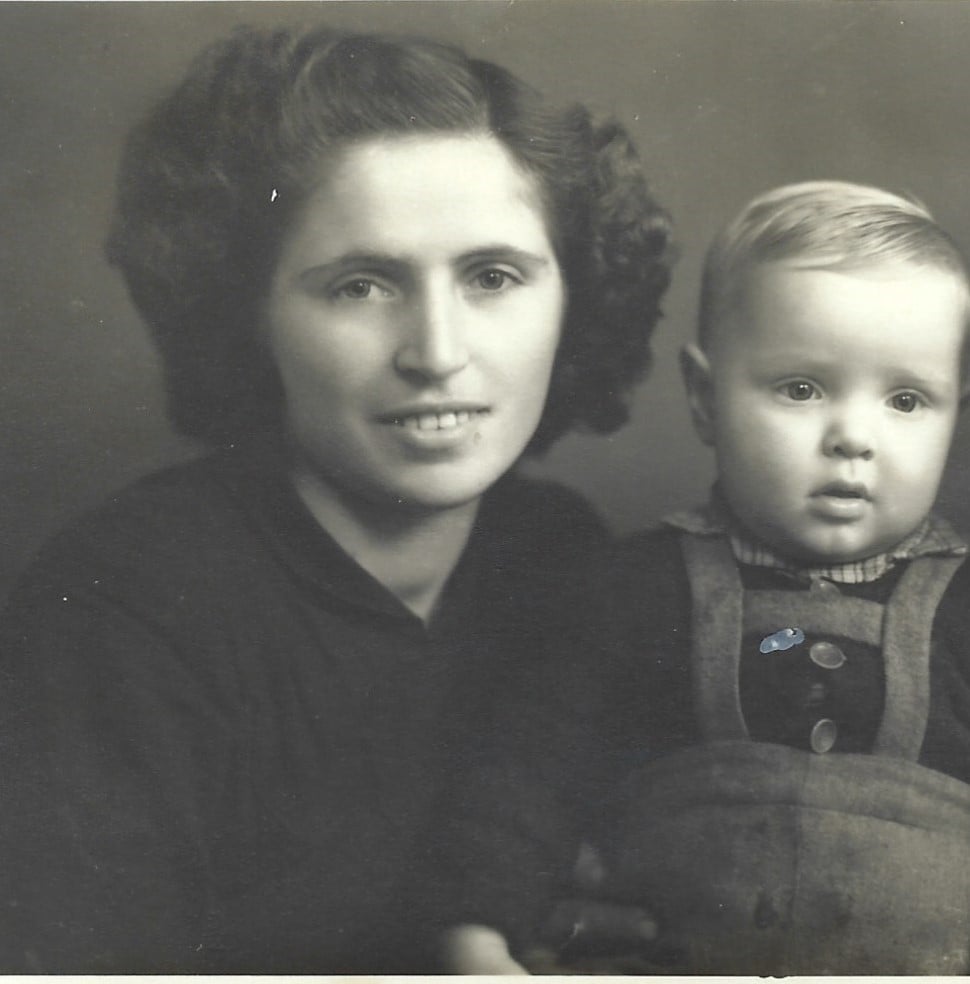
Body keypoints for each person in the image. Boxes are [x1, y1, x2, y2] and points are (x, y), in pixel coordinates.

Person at [0, 24, 673, 973]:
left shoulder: (559, 556)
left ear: (574, 295)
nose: (437, 352)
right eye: (360, 286)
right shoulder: (121, 610)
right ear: (250, 314)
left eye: (492, 277)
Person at [439, 181, 970, 975]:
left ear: (956, 416)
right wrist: (476, 935)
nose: (854, 437)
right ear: (703, 399)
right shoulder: (628, 593)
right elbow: (524, 781)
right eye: (801, 389)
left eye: (906, 399)